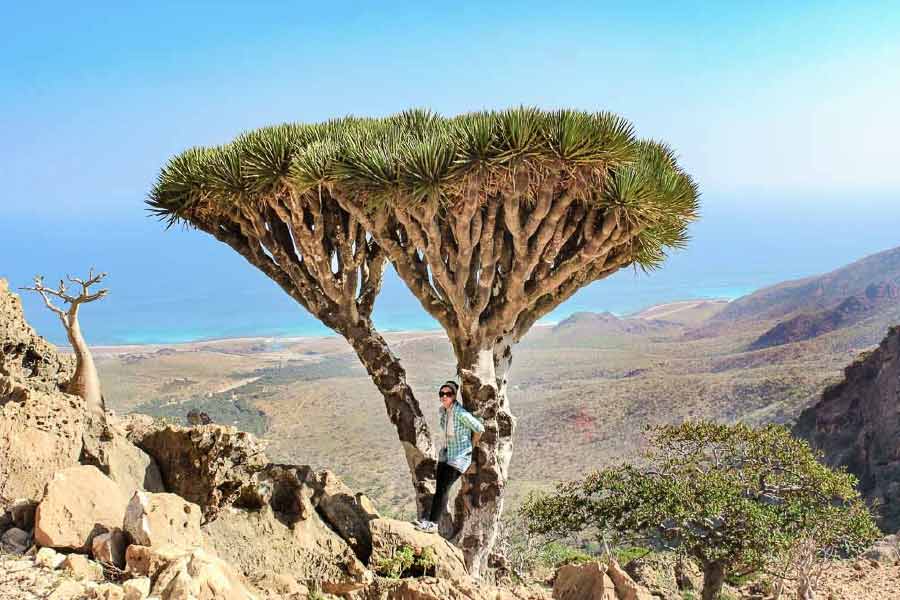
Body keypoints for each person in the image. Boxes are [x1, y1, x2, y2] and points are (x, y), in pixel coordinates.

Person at [415, 380, 484, 534]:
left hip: (459, 458)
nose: (444, 396)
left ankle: (432, 524)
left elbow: (479, 428)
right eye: (442, 393)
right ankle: (430, 521)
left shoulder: (460, 413)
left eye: (448, 394)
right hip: (446, 455)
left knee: (441, 491)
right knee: (440, 490)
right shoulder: (444, 412)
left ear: (454, 396)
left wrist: (471, 447)